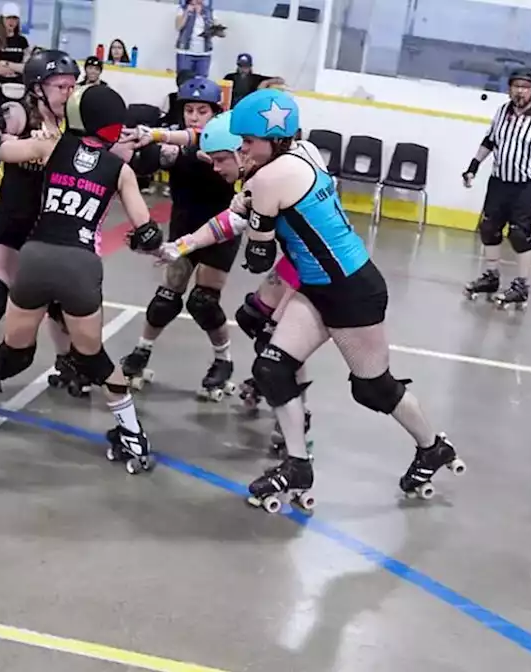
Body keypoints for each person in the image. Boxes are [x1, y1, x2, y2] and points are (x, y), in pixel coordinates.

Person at [227, 88, 463, 512]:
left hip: (352, 290)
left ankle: (432, 448)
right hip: (320, 284)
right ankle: (298, 463)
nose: (242, 149)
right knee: (272, 366)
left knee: (373, 389)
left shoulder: (267, 178)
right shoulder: (307, 151)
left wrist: (245, 206)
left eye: (248, 141)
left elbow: (258, 256)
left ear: (274, 139)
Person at [0, 84, 164, 469]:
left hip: (36, 256)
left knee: (11, 354)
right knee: (93, 358)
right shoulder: (121, 170)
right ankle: (132, 434)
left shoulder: (50, 146)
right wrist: (144, 241)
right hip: (80, 264)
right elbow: (148, 234)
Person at [150, 111, 314, 454]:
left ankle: (300, 413)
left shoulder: (267, 179)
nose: (215, 169)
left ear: (244, 152)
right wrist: (179, 247)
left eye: (222, 160)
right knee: (252, 317)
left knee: (277, 341)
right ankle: (268, 380)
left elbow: (254, 249)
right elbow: (226, 222)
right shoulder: (263, 170)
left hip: (318, 262)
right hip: (297, 258)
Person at [118, 77, 241, 400]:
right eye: (189, 109)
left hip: (221, 231)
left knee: (203, 303)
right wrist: (132, 148)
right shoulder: (177, 143)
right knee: (166, 299)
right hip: (184, 228)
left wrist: (155, 135)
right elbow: (159, 156)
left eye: (202, 110)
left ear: (215, 112)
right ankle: (142, 351)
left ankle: (223, 360)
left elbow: (195, 140)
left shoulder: (225, 143)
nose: (194, 115)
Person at [0, 50, 80, 333]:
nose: (68, 94)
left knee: (63, 310)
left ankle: (64, 370)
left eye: (72, 86)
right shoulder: (22, 115)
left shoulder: (76, 124)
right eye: (60, 87)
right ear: (37, 88)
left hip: (49, 227)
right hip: (7, 220)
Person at [461, 67, 531, 308]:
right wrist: (473, 166)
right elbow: (490, 141)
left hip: (527, 185)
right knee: (488, 228)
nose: (520, 91)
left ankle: (522, 286)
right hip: (499, 182)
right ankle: (491, 277)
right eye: (516, 86)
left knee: (519, 234)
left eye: (525, 87)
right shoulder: (501, 112)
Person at [0, 2, 31, 108]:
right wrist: (16, 69)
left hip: (18, 88)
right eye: (8, 18)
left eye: (14, 19)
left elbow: (26, 68)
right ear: (2, 19)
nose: (11, 22)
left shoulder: (22, 41)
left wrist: (6, 64)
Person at [175, 0, 221, 78]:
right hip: (185, 52)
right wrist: (186, 12)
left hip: (204, 54)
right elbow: (178, 26)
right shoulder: (182, 9)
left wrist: (216, 30)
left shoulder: (209, 11)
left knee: (201, 82)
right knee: (184, 80)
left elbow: (218, 29)